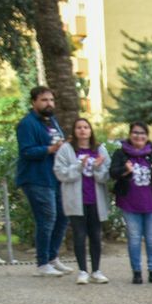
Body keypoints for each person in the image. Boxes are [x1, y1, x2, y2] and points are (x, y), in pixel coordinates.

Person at [15, 86, 69, 277]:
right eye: (44, 100)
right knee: (47, 219)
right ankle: (42, 263)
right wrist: (50, 149)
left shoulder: (52, 121)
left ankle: (52, 257)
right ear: (34, 102)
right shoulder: (27, 124)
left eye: (51, 100)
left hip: (55, 178)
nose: (49, 104)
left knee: (63, 217)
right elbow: (27, 151)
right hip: (36, 178)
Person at [52, 117, 111, 284]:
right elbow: (60, 173)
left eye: (86, 127)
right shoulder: (66, 149)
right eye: (79, 127)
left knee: (95, 235)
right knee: (79, 235)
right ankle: (83, 271)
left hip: (95, 199)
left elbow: (106, 175)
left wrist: (98, 167)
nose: (83, 130)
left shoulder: (100, 149)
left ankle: (97, 270)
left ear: (91, 130)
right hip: (76, 200)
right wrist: (79, 166)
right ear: (74, 131)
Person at [108, 123, 152, 284]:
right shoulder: (121, 154)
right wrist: (125, 171)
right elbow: (113, 173)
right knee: (134, 238)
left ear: (147, 136)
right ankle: (136, 271)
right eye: (135, 133)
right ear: (130, 134)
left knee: (151, 239)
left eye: (142, 133)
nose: (139, 136)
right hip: (130, 203)